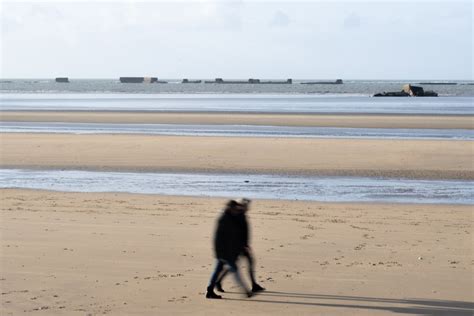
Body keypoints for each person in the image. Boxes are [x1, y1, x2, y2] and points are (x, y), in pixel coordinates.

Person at [215, 198, 265, 294]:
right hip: (239, 246)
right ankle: (218, 282)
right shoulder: (239, 215)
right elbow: (239, 232)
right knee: (233, 265)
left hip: (241, 245)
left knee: (238, 264)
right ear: (242, 205)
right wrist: (243, 244)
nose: (248, 207)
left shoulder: (241, 214)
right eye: (247, 205)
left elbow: (244, 231)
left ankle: (253, 284)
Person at [206, 200, 253, 299]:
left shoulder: (229, 217)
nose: (236, 211)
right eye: (235, 209)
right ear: (230, 208)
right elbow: (220, 238)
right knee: (234, 270)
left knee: (218, 271)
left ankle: (210, 290)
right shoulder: (225, 219)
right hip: (225, 252)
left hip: (224, 251)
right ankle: (246, 291)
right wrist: (222, 252)